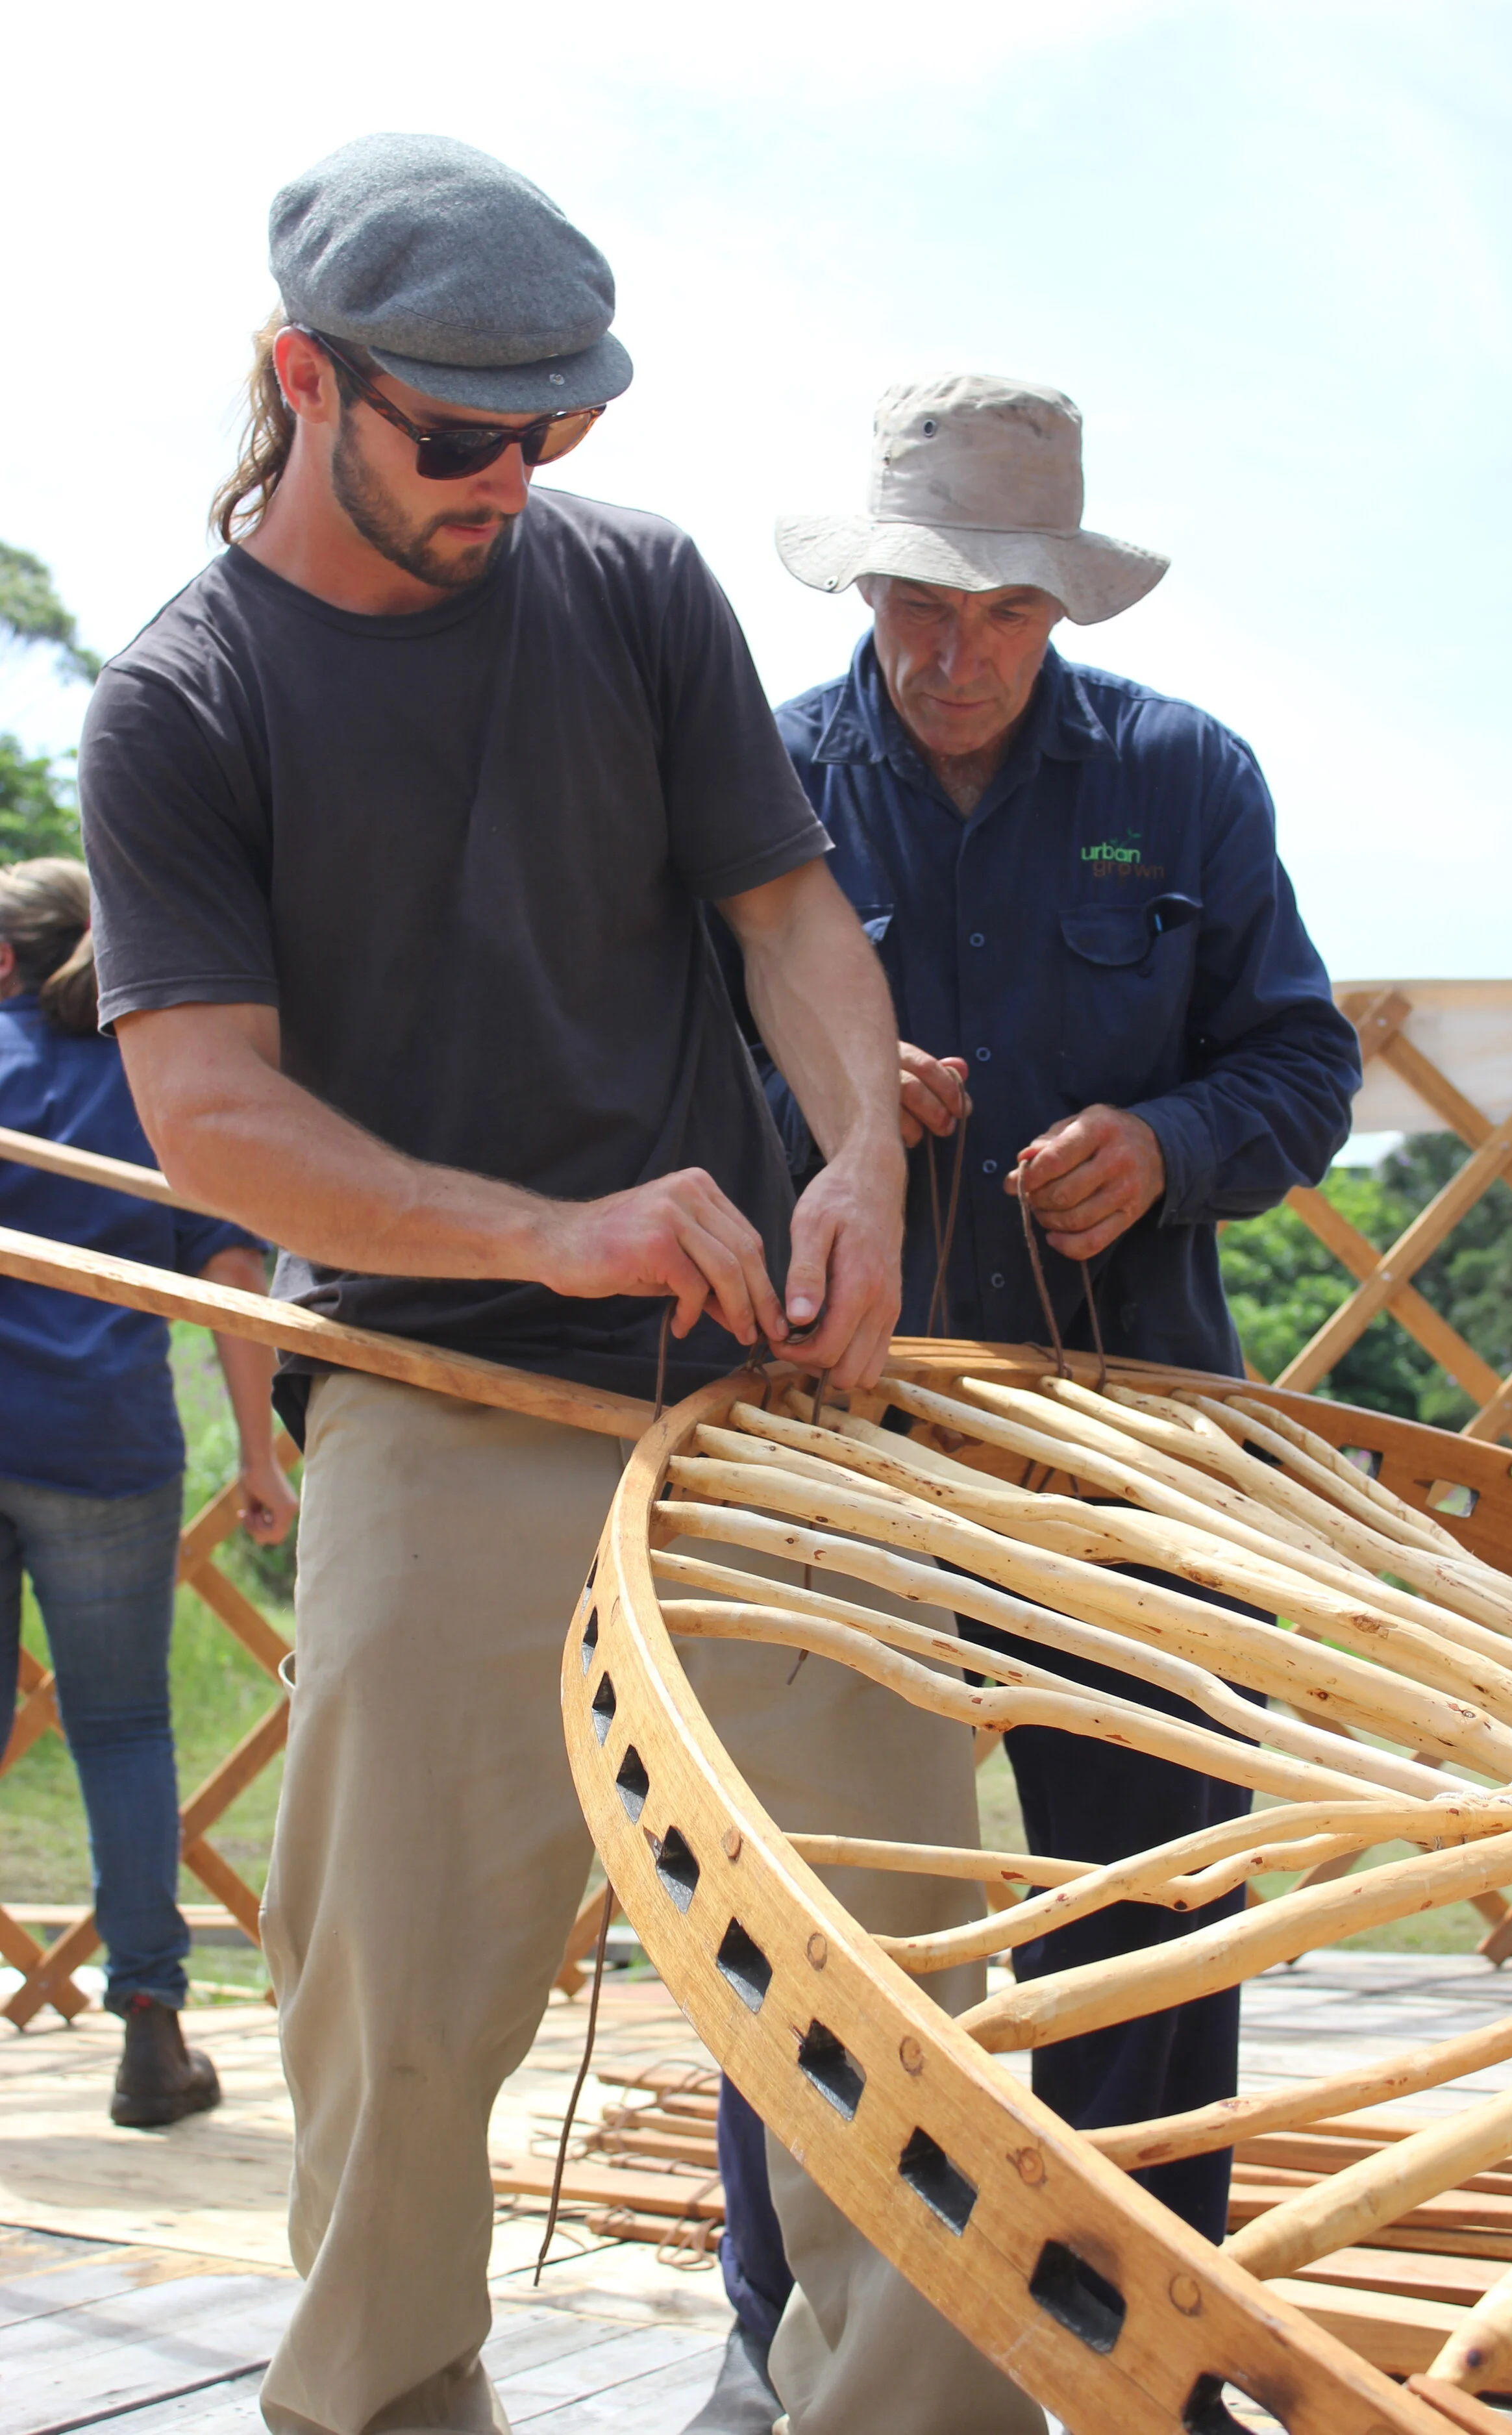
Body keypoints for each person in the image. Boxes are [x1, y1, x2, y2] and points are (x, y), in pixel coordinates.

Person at [80, 137, 1034, 2435]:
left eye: (561, 427)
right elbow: (213, 1117)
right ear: (303, 381)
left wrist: (852, 1179)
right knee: (392, 2005)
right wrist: (546, 1230)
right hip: (433, 1381)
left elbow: (798, 928)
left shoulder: (628, 591)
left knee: (901, 1965)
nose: (519, 476)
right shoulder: (183, 706)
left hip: (749, 1388)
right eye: (463, 434)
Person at [695, 373, 1361, 2428]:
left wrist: (1165, 1140)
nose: (949, 648)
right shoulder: (758, 780)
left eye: (996, 606)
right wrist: (813, 1101)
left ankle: (1134, 2327)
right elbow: (647, 1086)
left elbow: (1302, 1070)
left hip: (1128, 1433)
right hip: (835, 1429)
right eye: (916, 596)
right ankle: (785, 2339)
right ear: (871, 581)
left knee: (1156, 1881)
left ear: (1062, 602)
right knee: (803, 1900)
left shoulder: (1185, 780)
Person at [0, 856, 297, 2125]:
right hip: (108, 1446)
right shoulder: (154, 1075)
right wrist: (261, 1451)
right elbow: (233, 1266)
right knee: (122, 1732)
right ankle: (151, 2036)